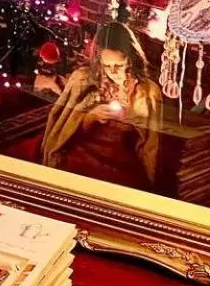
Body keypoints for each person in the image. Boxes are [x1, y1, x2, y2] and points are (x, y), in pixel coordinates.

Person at [40, 21, 163, 190]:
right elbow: (64, 127)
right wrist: (90, 117)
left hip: (121, 157)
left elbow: (150, 143)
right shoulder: (82, 79)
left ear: (131, 59)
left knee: (126, 186)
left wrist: (129, 118)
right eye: (107, 66)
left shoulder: (147, 91)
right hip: (84, 150)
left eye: (118, 65)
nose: (112, 71)